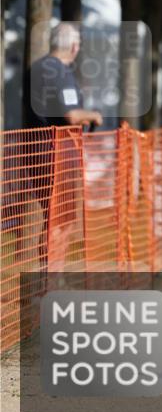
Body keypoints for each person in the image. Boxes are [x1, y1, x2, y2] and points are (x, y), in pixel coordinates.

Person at [18, 23, 103, 284]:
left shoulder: (37, 68)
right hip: (57, 153)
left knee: (53, 217)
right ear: (74, 47)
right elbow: (72, 115)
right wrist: (94, 115)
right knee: (60, 220)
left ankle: (50, 281)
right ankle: (51, 282)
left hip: (37, 150)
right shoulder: (59, 71)